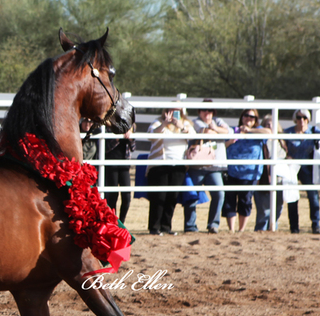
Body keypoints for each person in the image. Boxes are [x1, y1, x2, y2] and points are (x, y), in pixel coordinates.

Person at [145, 107, 194, 235]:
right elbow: (150, 136)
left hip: (178, 165)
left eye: (177, 111)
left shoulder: (186, 123)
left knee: (172, 197)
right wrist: (164, 124)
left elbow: (194, 136)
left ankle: (166, 227)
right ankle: (154, 227)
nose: (173, 113)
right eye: (171, 110)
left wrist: (181, 126)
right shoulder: (158, 122)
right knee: (158, 196)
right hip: (160, 165)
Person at [184, 100, 228, 234]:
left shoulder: (218, 120)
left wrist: (215, 129)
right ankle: (190, 225)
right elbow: (206, 132)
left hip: (215, 166)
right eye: (204, 110)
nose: (207, 113)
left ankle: (213, 224)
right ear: (199, 111)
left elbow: (229, 132)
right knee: (192, 195)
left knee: (219, 193)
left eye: (210, 110)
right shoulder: (195, 122)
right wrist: (217, 130)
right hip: (198, 165)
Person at [222, 109, 269, 233]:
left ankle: (241, 229)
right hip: (231, 170)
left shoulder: (258, 132)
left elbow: (269, 132)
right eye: (246, 116)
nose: (249, 118)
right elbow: (219, 145)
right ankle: (231, 229)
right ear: (241, 117)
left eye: (252, 117)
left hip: (249, 173)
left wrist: (250, 130)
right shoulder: (233, 130)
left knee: (245, 201)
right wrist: (230, 141)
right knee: (229, 200)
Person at [84, 118, 134, 224]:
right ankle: (113, 222)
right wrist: (116, 139)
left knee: (127, 197)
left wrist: (131, 138)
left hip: (124, 165)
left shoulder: (128, 127)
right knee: (112, 196)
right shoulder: (106, 128)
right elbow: (104, 148)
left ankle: (122, 222)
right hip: (110, 165)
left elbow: (133, 148)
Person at [283, 109, 320, 234]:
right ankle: (294, 226)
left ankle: (316, 224)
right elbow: (280, 145)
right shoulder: (288, 132)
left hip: (308, 167)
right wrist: (286, 155)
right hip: (292, 167)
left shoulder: (313, 131)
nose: (301, 120)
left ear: (308, 119)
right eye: (299, 117)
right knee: (292, 196)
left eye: (304, 118)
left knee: (313, 196)